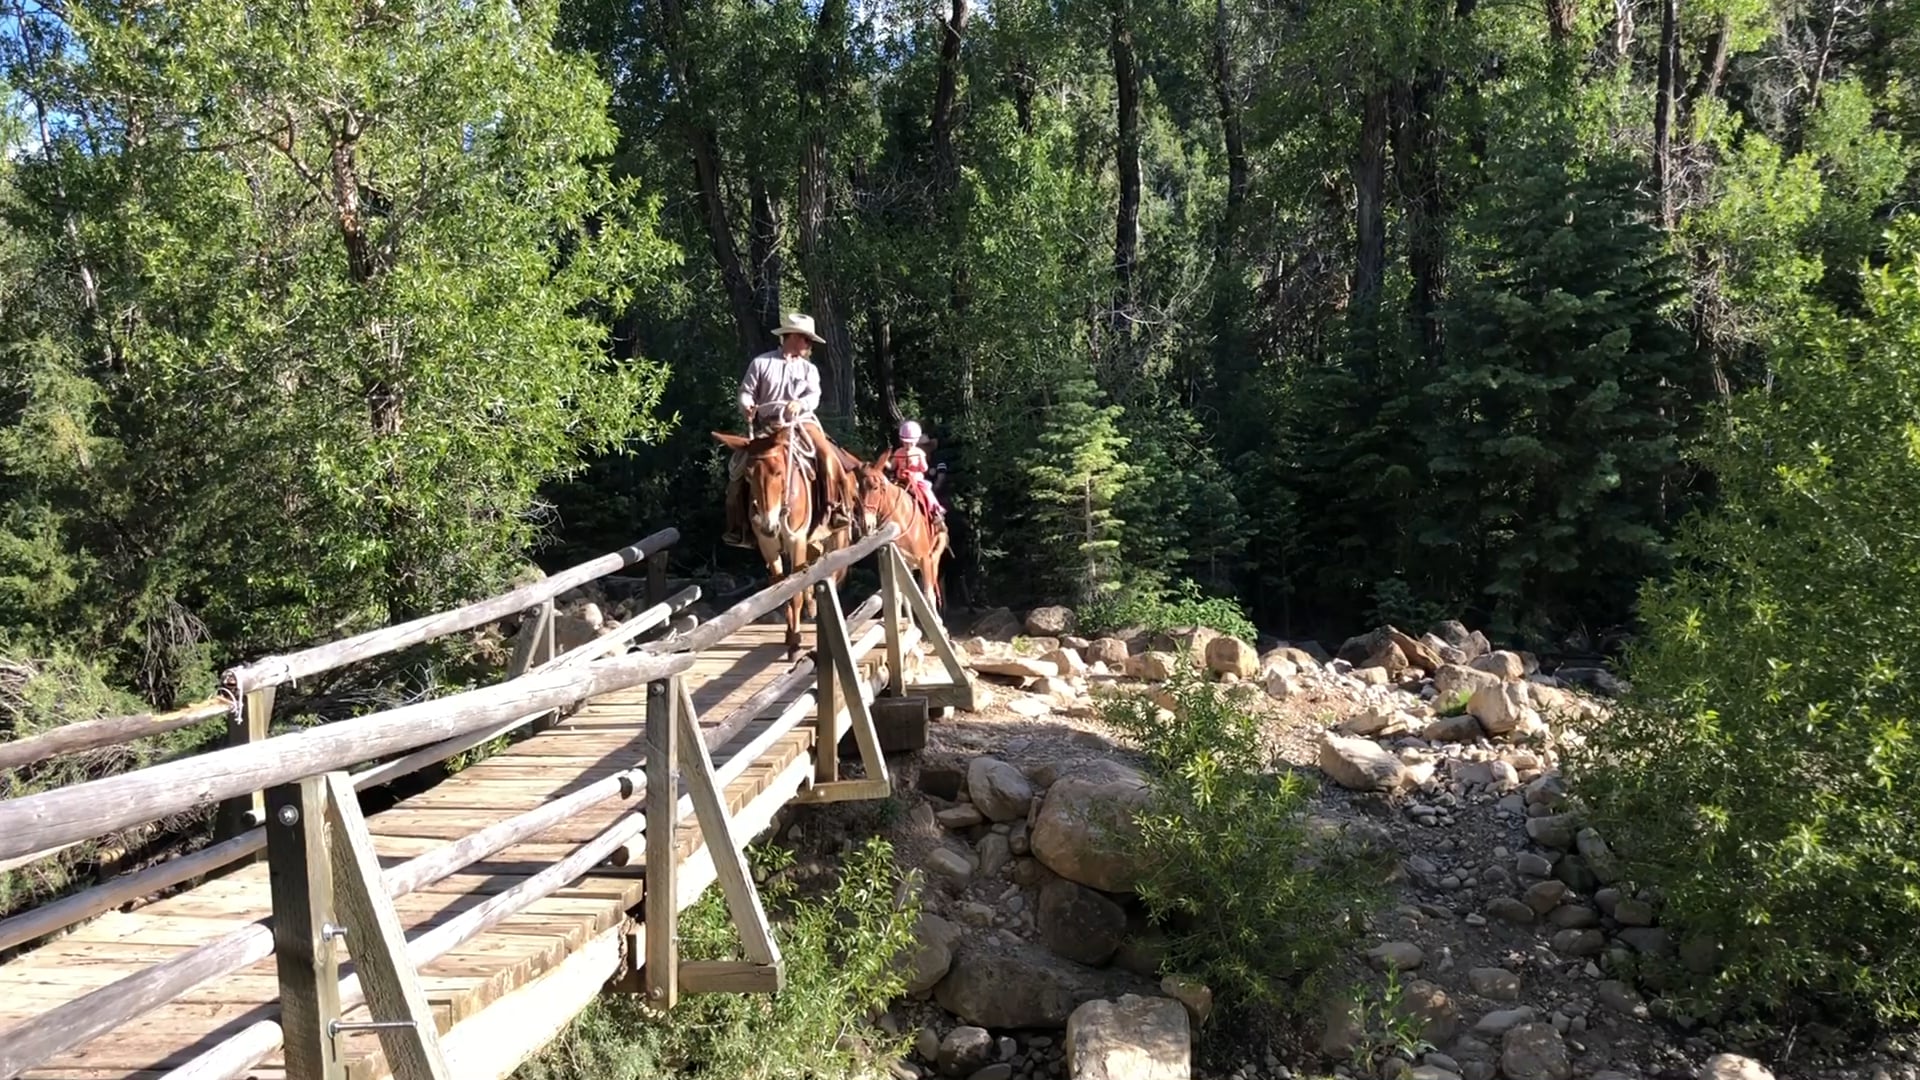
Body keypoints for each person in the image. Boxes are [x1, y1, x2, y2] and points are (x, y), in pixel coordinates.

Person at [723, 312, 858, 547]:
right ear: (793, 337)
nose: (809, 345)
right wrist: (746, 406)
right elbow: (746, 391)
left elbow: (814, 396)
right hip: (768, 425)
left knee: (828, 456)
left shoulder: (809, 369)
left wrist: (801, 403)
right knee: (737, 468)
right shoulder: (761, 363)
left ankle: (833, 511)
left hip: (802, 422)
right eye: (807, 340)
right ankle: (738, 526)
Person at [887, 419, 945, 524]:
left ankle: (935, 510)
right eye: (905, 443)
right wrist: (886, 463)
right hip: (900, 479)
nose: (908, 446)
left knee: (926, 490)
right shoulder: (898, 452)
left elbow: (924, 468)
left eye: (910, 443)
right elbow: (893, 466)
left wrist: (916, 468)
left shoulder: (919, 453)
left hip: (915, 480)